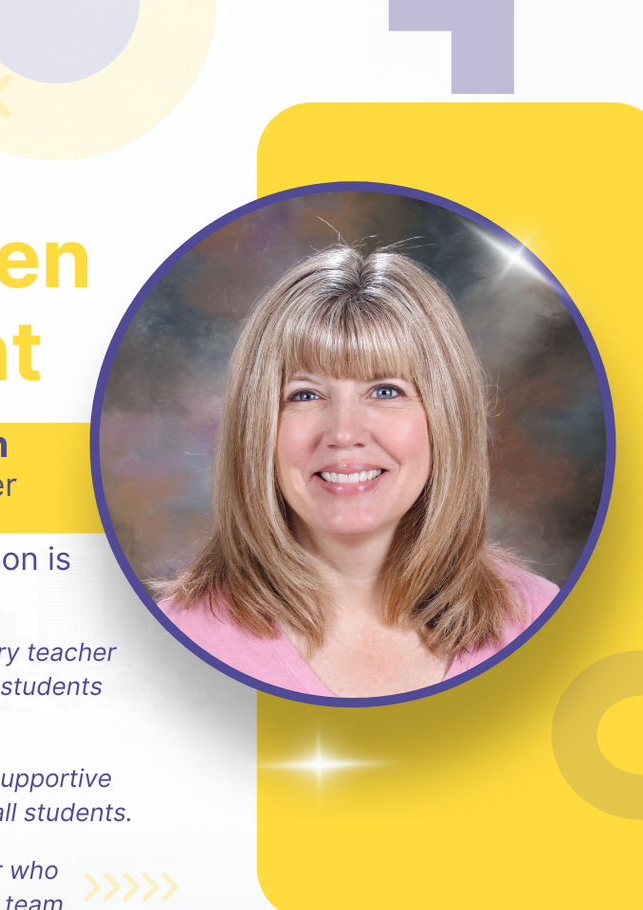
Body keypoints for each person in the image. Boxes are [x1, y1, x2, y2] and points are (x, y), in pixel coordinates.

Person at [157, 246, 558, 698]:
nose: (344, 433)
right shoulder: (169, 649)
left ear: (446, 418)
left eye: (386, 390)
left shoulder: (544, 623)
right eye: (304, 396)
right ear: (257, 428)